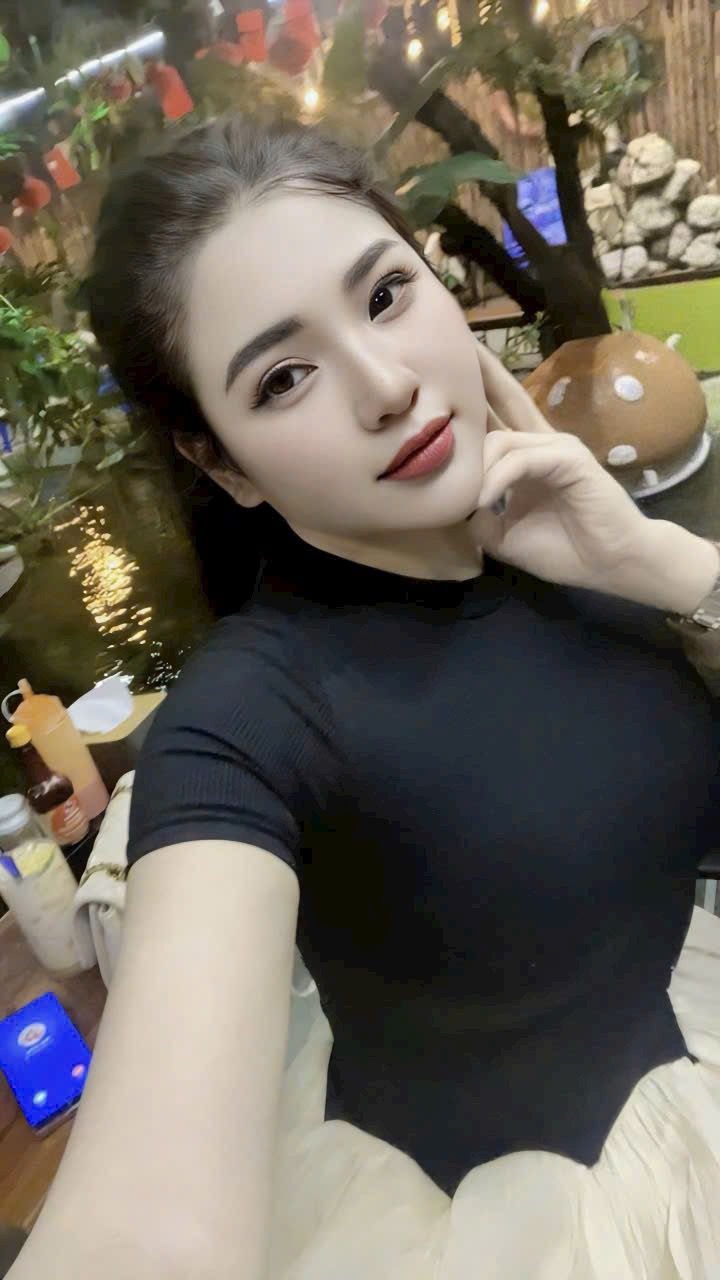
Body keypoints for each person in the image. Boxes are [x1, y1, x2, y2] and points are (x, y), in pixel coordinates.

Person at [10, 116, 720, 1280]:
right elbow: (144, 1231)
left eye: (387, 294)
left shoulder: (572, 528)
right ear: (221, 460)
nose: (388, 385)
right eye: (285, 377)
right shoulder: (244, 721)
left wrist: (657, 562)